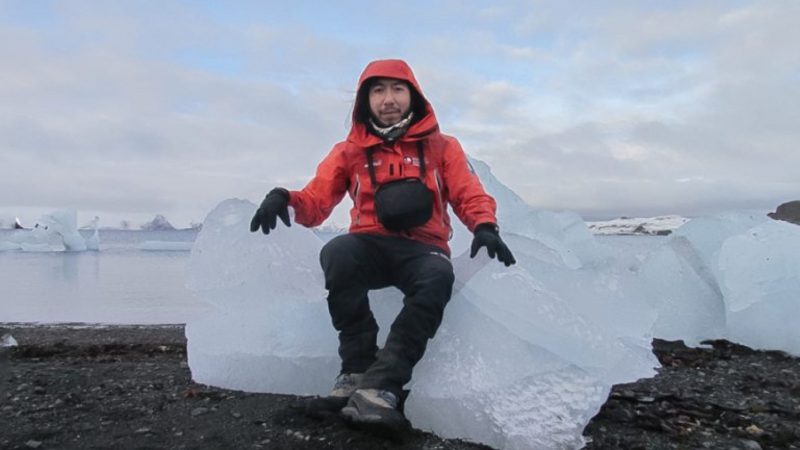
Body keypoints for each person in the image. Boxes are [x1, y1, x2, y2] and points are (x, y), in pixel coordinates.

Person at [250, 59, 515, 435]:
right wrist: (284, 198)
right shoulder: (349, 151)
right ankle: (355, 371)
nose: (388, 99)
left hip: (424, 248)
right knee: (338, 252)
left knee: (438, 276)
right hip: (369, 243)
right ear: (365, 100)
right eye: (378, 91)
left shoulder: (442, 147)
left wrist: (485, 226)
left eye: (397, 89)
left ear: (413, 96)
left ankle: (383, 385)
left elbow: (467, 192)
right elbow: (316, 202)